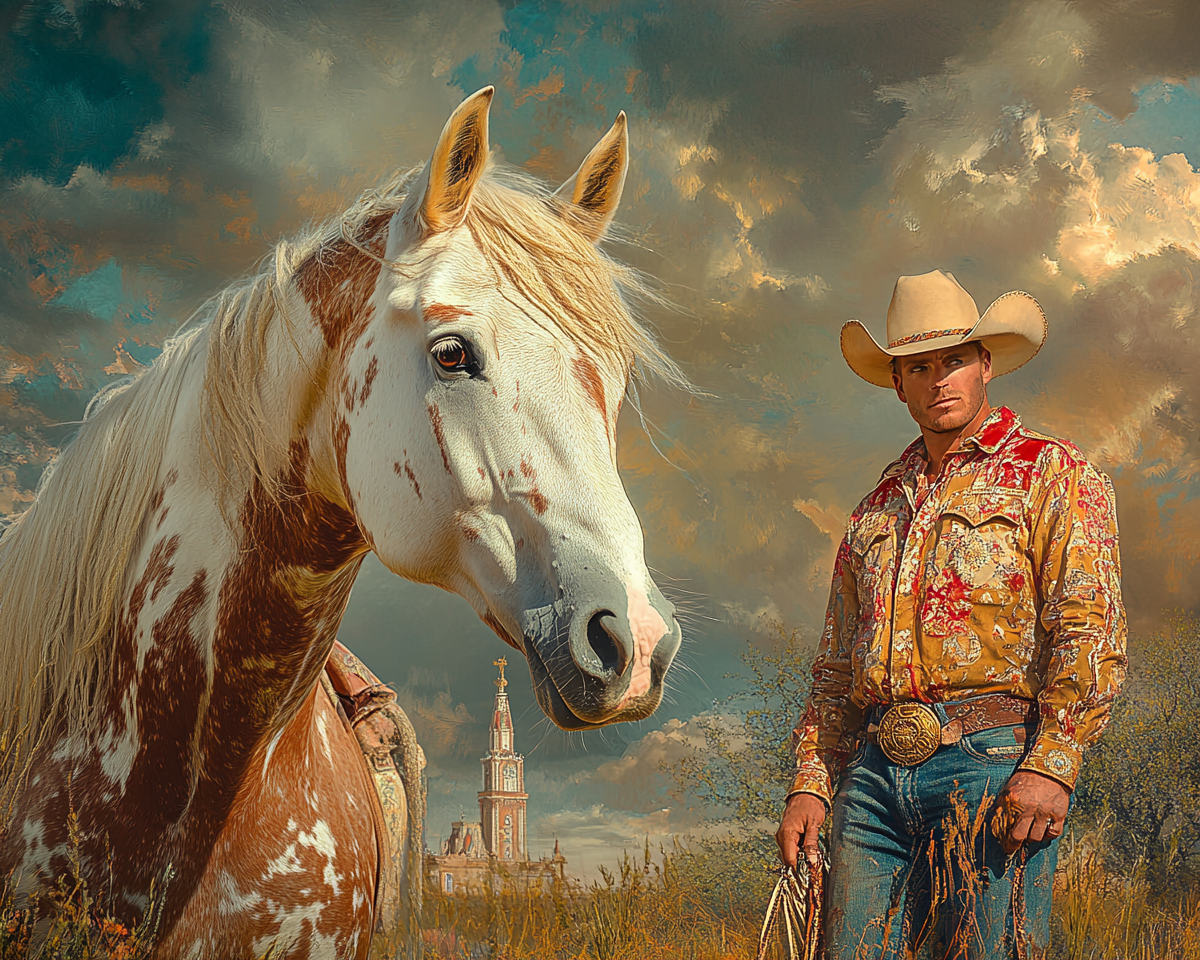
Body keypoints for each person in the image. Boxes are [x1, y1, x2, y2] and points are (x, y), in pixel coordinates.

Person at [774, 270, 1127, 959]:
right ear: (897, 383)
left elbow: (1088, 624)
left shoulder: (1049, 472)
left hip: (994, 763)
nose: (938, 380)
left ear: (985, 364)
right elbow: (835, 668)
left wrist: (1053, 761)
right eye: (919, 366)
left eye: (954, 361)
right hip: (873, 780)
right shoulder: (875, 509)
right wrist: (810, 784)